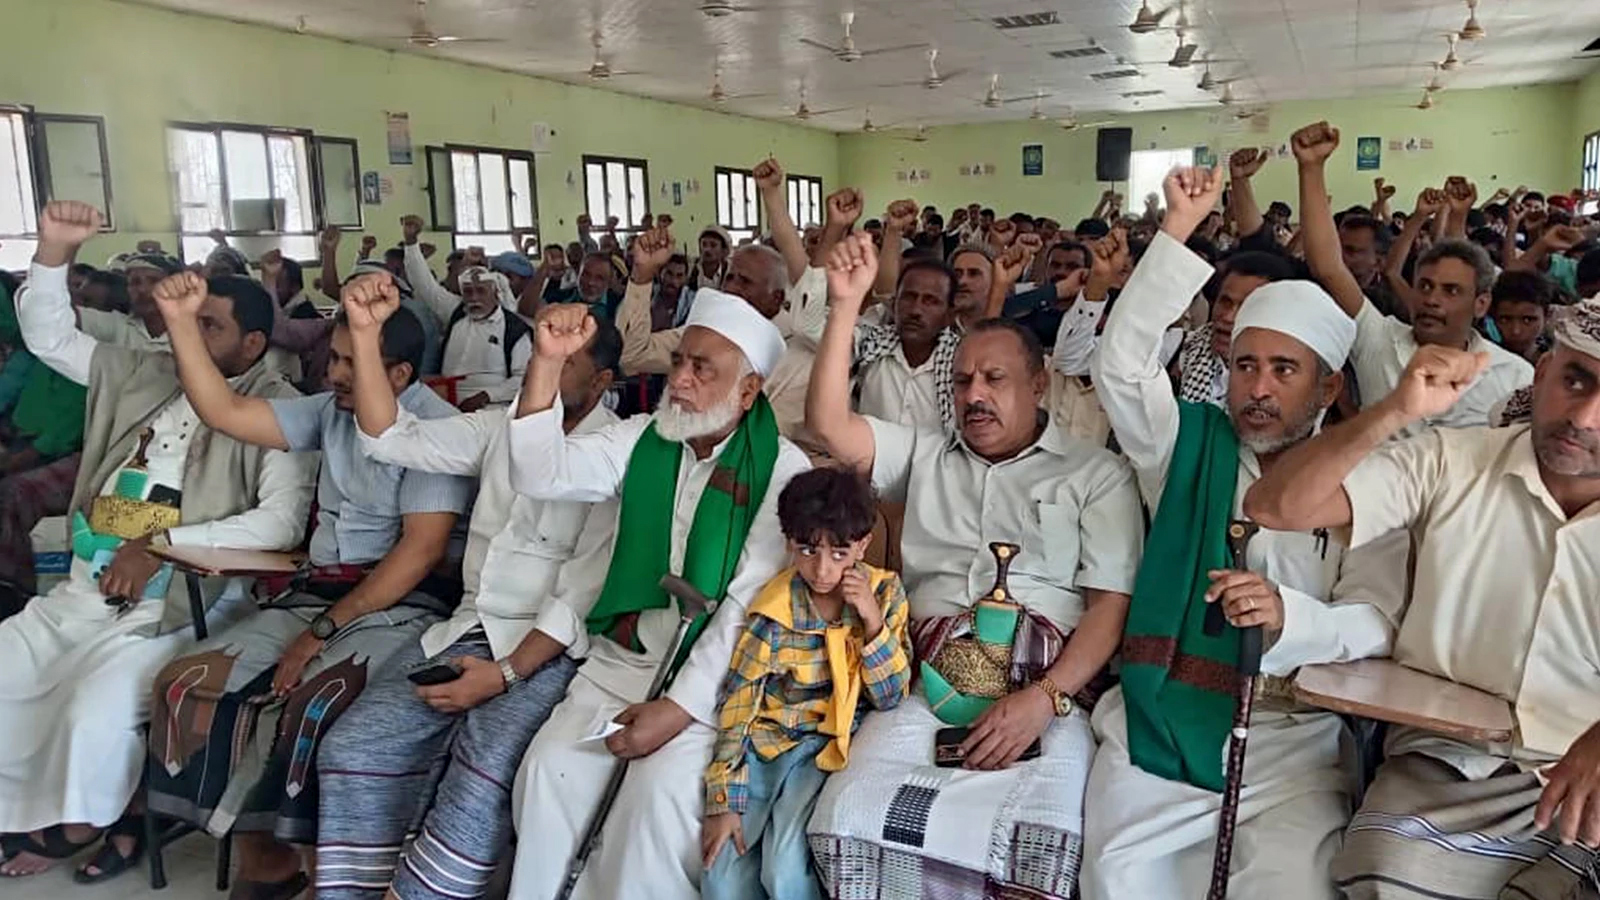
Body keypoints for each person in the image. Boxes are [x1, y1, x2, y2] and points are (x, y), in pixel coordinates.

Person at [1081, 165, 1408, 899]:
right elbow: (1121, 366)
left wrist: (1293, 616)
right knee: (1119, 875)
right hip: (1162, 717)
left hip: (1293, 734)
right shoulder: (1185, 445)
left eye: (1284, 370)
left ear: (1327, 386)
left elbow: (1378, 620)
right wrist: (1177, 229)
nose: (1258, 389)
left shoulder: (1367, 477)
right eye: (1246, 366)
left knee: (1291, 884)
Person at [803, 233, 1144, 899]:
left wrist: (1043, 702)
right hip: (924, 687)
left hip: (1048, 689)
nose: (974, 396)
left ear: (1039, 385)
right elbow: (829, 425)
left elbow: (1110, 607)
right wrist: (844, 306)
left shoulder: (1095, 473)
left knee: (1045, 840)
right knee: (846, 819)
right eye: (961, 382)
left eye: (994, 380)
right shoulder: (926, 454)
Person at [1240, 297, 1600, 900]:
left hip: (1588, 770)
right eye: (1576, 380)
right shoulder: (1449, 461)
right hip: (1454, 763)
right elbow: (1274, 506)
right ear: (1541, 374)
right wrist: (1394, 411)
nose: (1584, 416)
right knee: (1385, 869)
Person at [0, 202, 315, 881]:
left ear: (253, 345)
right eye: (187, 320)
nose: (187, 334)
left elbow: (280, 523)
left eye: (209, 325)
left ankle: (90, 821)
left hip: (181, 602)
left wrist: (162, 545)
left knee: (93, 705)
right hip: (85, 589)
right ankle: (23, 809)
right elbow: (50, 337)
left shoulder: (277, 404)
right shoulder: (146, 369)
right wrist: (53, 250)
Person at [145, 274, 473, 900]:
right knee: (187, 681)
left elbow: (420, 554)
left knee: (314, 704)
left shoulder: (438, 429)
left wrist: (320, 633)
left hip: (401, 604)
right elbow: (224, 411)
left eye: (349, 362)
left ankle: (326, 871)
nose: (331, 372)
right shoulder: (329, 413)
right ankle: (266, 862)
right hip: (315, 592)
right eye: (335, 357)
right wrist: (181, 322)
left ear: (399, 374)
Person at [310, 290, 623, 900]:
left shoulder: (614, 454)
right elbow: (388, 436)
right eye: (540, 357)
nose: (545, 374)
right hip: (466, 627)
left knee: (481, 767)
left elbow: (578, 596)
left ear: (603, 381)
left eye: (565, 363)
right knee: (354, 744)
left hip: (546, 651)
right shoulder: (500, 426)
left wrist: (502, 676)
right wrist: (366, 337)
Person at [505, 291, 811, 900]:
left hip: (715, 691)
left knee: (653, 806)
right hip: (623, 665)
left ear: (748, 391)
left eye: (703, 369)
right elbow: (540, 473)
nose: (680, 381)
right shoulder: (645, 437)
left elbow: (746, 609)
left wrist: (676, 711)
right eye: (678, 362)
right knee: (547, 774)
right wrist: (546, 361)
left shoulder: (784, 472)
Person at [700, 466, 912, 900]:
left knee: (784, 868)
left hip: (829, 746)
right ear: (789, 543)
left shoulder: (884, 593)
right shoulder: (774, 611)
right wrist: (723, 800)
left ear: (863, 545)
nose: (822, 569)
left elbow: (891, 696)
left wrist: (871, 620)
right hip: (771, 744)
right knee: (721, 874)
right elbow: (739, 704)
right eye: (808, 550)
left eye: (839, 553)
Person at [1294, 121, 1532, 433]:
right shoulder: (1378, 340)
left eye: (1451, 291)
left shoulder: (1512, 375)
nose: (1432, 300)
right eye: (1425, 286)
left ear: (1481, 303)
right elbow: (1328, 267)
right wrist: (1311, 168)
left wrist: (1457, 217)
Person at [0, 276, 87, 602]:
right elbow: (16, 404)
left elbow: (60, 433)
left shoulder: (82, 361)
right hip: (22, 439)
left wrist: (11, 461)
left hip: (60, 451)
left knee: (14, 491)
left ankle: (16, 585)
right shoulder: (36, 355)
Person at [399, 215, 532, 411]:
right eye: (468, 292)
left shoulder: (514, 327)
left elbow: (524, 378)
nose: (474, 298)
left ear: (496, 293)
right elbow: (425, 285)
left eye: (481, 291)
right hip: (443, 403)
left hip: (492, 408)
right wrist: (411, 242)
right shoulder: (456, 311)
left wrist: (486, 395)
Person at [1490, 270, 1556, 363]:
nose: (1516, 331)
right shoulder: (1485, 361)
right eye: (1505, 320)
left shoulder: (1557, 362)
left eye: (1527, 320)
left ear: (1547, 316)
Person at [692, 225, 733, 291]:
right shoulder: (691, 269)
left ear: (724, 250)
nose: (707, 249)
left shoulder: (730, 271)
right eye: (704, 244)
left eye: (713, 245)